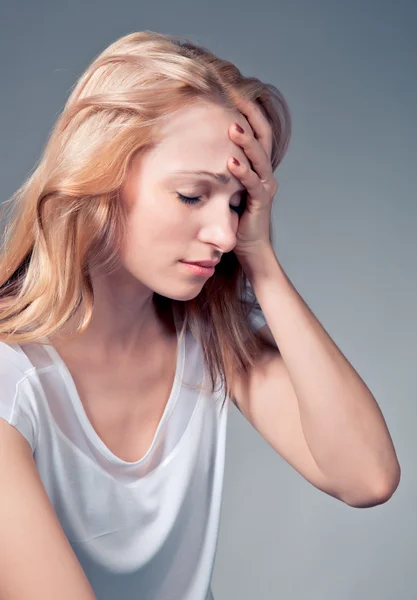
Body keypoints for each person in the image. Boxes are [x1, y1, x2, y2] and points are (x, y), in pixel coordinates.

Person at [0, 31, 401, 600]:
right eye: (193, 195)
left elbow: (367, 477)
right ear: (99, 174)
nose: (223, 234)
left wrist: (261, 259)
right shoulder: (10, 378)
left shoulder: (210, 335)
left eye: (238, 203)